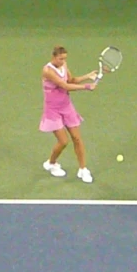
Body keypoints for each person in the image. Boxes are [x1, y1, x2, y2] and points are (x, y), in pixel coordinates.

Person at [40, 46, 98, 183]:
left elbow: (71, 81)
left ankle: (83, 169)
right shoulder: (47, 71)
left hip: (67, 107)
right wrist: (87, 87)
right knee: (63, 141)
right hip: (52, 110)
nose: (63, 61)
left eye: (65, 59)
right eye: (60, 59)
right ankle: (51, 163)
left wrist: (87, 76)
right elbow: (64, 86)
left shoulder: (64, 65)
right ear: (53, 57)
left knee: (77, 138)